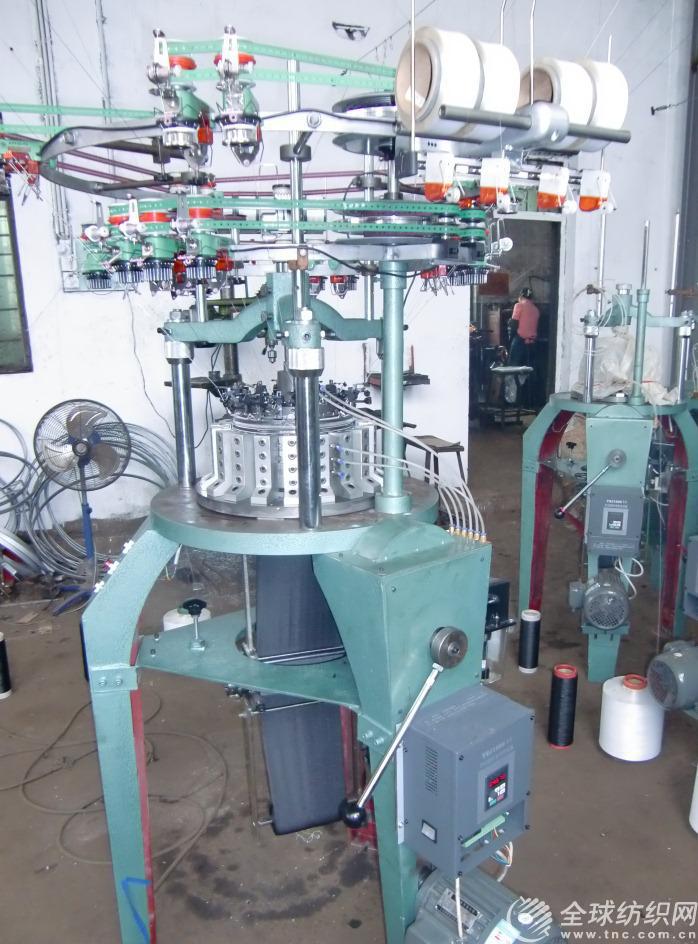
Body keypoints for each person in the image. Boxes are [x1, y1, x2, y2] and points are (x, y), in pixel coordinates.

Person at [509, 287, 540, 368]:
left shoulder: (519, 305)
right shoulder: (536, 309)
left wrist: (510, 338)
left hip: (520, 341)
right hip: (532, 343)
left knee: (513, 367)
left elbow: (514, 324)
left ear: (521, 296)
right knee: (530, 368)